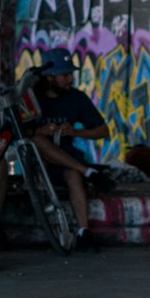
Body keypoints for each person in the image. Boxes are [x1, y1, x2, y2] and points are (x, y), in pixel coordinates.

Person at [30, 47, 115, 251]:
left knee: (74, 175)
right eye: (65, 75)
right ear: (50, 77)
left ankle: (83, 232)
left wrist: (75, 133)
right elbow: (20, 133)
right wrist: (41, 130)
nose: (70, 79)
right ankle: (89, 172)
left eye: (71, 74)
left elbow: (103, 131)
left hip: (65, 161)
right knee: (36, 139)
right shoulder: (32, 98)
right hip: (37, 164)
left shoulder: (76, 98)